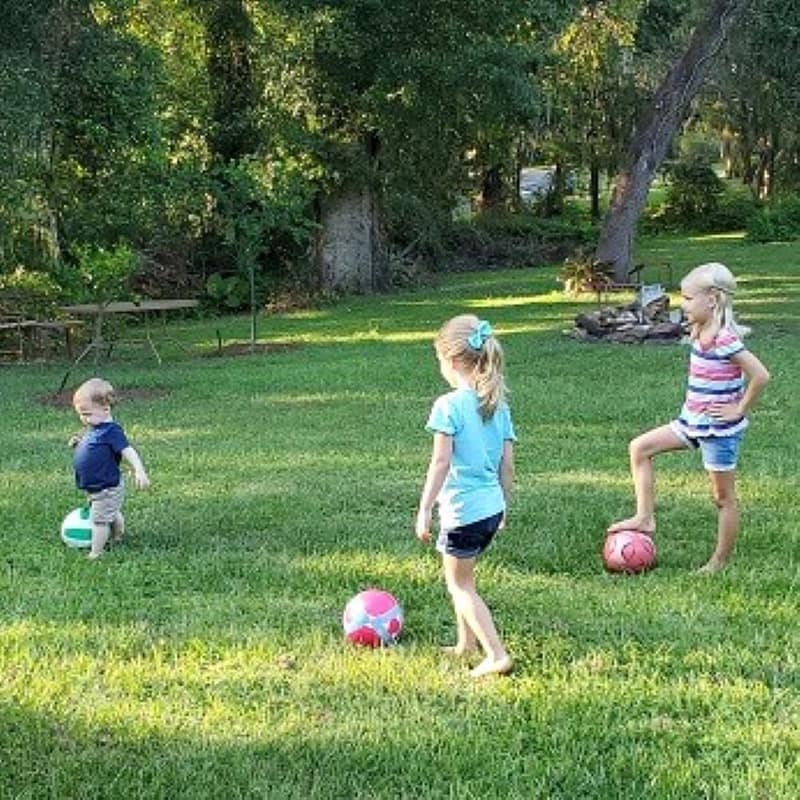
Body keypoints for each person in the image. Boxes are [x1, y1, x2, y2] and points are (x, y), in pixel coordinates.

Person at [608, 262, 770, 572]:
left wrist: (739, 409)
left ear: (712, 299)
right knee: (639, 448)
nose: (682, 304)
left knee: (723, 498)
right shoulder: (699, 330)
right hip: (691, 422)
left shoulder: (724, 339)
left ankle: (718, 561)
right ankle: (645, 517)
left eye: (687, 298)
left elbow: (761, 375)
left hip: (718, 431)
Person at [416, 315, 516, 677]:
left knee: (460, 586)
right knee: (466, 579)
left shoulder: (449, 406)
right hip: (490, 510)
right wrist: (504, 505)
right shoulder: (497, 405)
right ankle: (466, 644)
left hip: (463, 513)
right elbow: (508, 466)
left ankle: (496, 654)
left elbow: (440, 462)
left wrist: (425, 508)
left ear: (452, 361)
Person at [70, 378, 150, 559]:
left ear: (106, 409)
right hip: (98, 486)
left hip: (107, 486)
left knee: (98, 521)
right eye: (81, 414)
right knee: (110, 512)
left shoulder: (112, 431)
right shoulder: (96, 427)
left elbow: (127, 450)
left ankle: (96, 553)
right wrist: (79, 442)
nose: (84, 419)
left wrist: (139, 469)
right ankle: (118, 536)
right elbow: (94, 443)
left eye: (87, 414)